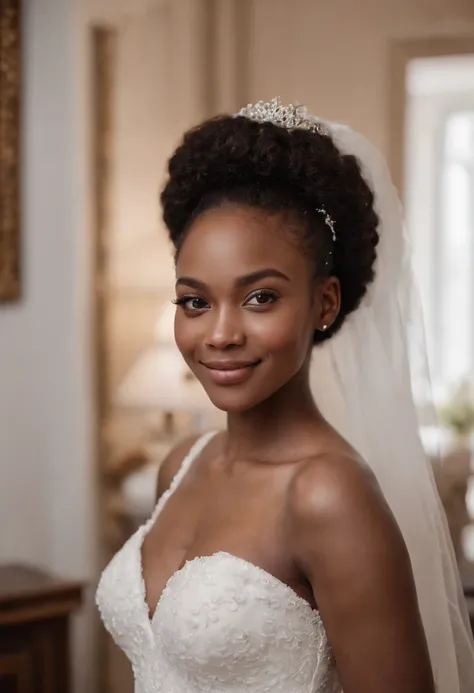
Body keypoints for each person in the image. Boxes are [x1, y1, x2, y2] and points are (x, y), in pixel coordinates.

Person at [96, 99, 474, 693]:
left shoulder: (329, 496)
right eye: (195, 301)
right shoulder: (182, 463)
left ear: (324, 303)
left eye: (260, 298)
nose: (219, 334)